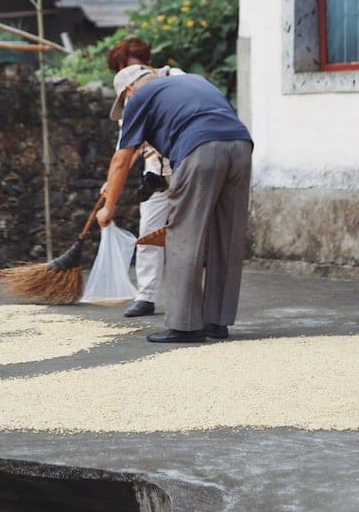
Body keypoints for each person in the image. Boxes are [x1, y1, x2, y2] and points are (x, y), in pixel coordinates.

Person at [97, 67, 253, 344]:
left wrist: (108, 209)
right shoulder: (192, 81)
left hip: (201, 147)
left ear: (128, 91)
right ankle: (217, 322)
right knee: (227, 236)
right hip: (241, 147)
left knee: (184, 236)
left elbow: (121, 160)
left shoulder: (138, 98)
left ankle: (185, 326)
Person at [105, 37, 183, 319]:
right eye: (123, 70)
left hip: (185, 165)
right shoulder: (129, 96)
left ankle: (187, 297)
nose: (129, 75)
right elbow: (127, 147)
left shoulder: (175, 78)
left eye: (133, 67)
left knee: (188, 234)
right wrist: (111, 182)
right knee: (148, 232)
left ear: (148, 63)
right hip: (154, 173)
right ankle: (146, 296)